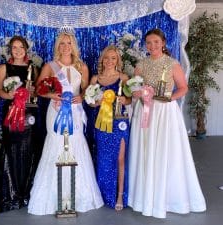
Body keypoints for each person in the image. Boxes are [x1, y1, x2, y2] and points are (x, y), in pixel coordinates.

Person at [128, 28, 206, 218]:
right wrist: (136, 93)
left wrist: (168, 98)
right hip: (145, 111)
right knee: (145, 150)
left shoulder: (172, 64)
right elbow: (133, 89)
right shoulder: (141, 64)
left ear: (163, 43)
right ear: (145, 45)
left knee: (165, 151)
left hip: (165, 112)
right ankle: (144, 196)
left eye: (156, 42)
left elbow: (183, 88)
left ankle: (166, 197)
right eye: (148, 43)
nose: (152, 46)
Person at [28, 27, 103, 215]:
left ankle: (78, 195)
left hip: (75, 113)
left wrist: (82, 96)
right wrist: (54, 94)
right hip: (56, 111)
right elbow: (39, 90)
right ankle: (53, 196)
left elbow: (87, 90)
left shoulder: (82, 67)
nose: (65, 46)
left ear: (73, 46)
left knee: (75, 144)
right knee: (56, 145)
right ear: (57, 46)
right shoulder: (50, 66)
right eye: (62, 43)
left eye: (68, 43)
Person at [0, 35, 39, 212]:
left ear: (26, 49)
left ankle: (26, 193)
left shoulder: (32, 69)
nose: (18, 50)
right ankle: (11, 194)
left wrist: (32, 91)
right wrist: (11, 95)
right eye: (14, 47)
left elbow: (36, 92)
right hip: (11, 113)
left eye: (21, 47)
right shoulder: (4, 68)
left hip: (29, 114)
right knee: (11, 150)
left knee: (28, 150)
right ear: (10, 50)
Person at [88, 45, 131, 211]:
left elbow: (130, 100)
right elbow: (90, 103)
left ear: (118, 60)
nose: (109, 61)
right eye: (107, 58)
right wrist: (96, 102)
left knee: (120, 159)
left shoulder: (123, 78)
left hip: (119, 123)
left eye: (113, 58)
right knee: (104, 159)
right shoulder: (95, 79)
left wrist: (123, 101)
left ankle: (119, 195)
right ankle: (103, 194)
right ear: (102, 60)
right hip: (101, 124)